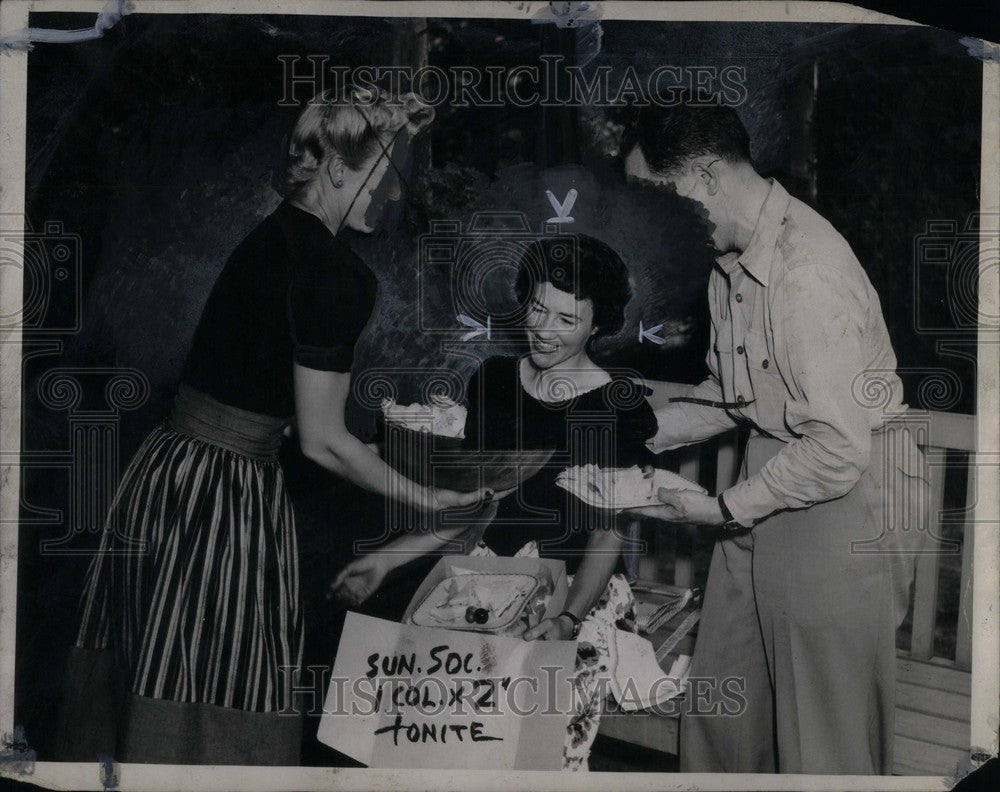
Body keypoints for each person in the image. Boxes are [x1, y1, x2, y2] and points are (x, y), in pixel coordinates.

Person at [57, 87, 492, 766]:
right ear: (339, 169)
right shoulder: (337, 273)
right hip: (221, 501)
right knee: (223, 690)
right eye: (384, 172)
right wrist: (432, 500)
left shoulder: (269, 235)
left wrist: (393, 128)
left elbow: (264, 394)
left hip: (163, 477)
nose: (393, 193)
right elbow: (321, 440)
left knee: (153, 668)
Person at [621, 98, 930, 774]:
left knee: (823, 735)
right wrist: (626, 435)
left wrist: (724, 507)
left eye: (654, 195)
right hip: (780, 470)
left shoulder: (804, 275)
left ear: (702, 177)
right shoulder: (728, 264)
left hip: (848, 489)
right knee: (722, 704)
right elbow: (732, 397)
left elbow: (838, 449)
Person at [331, 234, 658, 769]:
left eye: (566, 320)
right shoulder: (496, 381)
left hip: (577, 587)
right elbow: (475, 502)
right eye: (536, 309)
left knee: (535, 743)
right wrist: (386, 557)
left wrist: (568, 620)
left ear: (598, 325)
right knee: (425, 730)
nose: (543, 330)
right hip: (487, 574)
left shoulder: (615, 407)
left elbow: (607, 535)